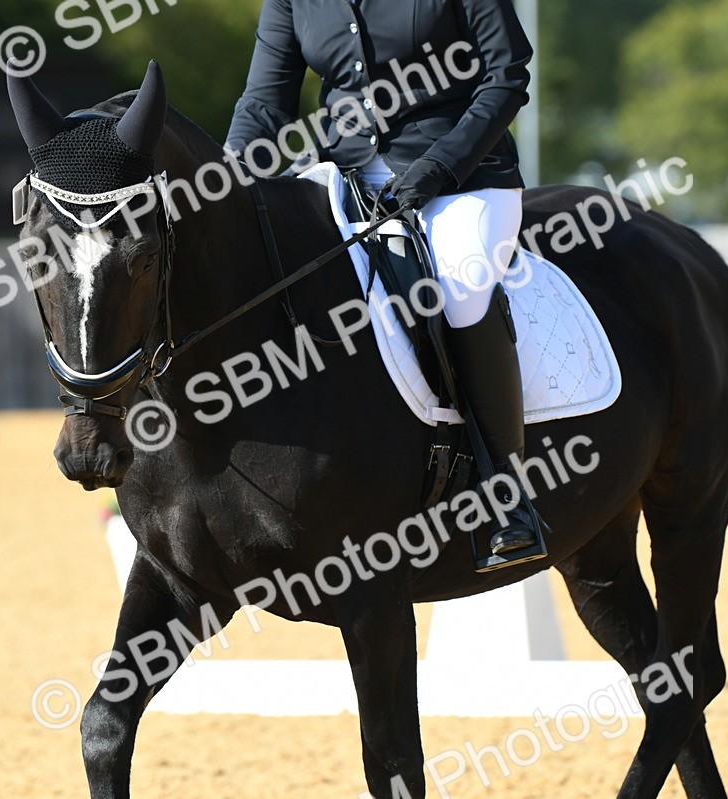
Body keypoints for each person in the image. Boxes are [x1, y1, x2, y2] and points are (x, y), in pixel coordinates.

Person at [225, 0, 546, 570]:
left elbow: (507, 74)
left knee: (460, 284)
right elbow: (263, 102)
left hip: (463, 179)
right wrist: (225, 176)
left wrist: (445, 164)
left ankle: (508, 496)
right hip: (345, 181)